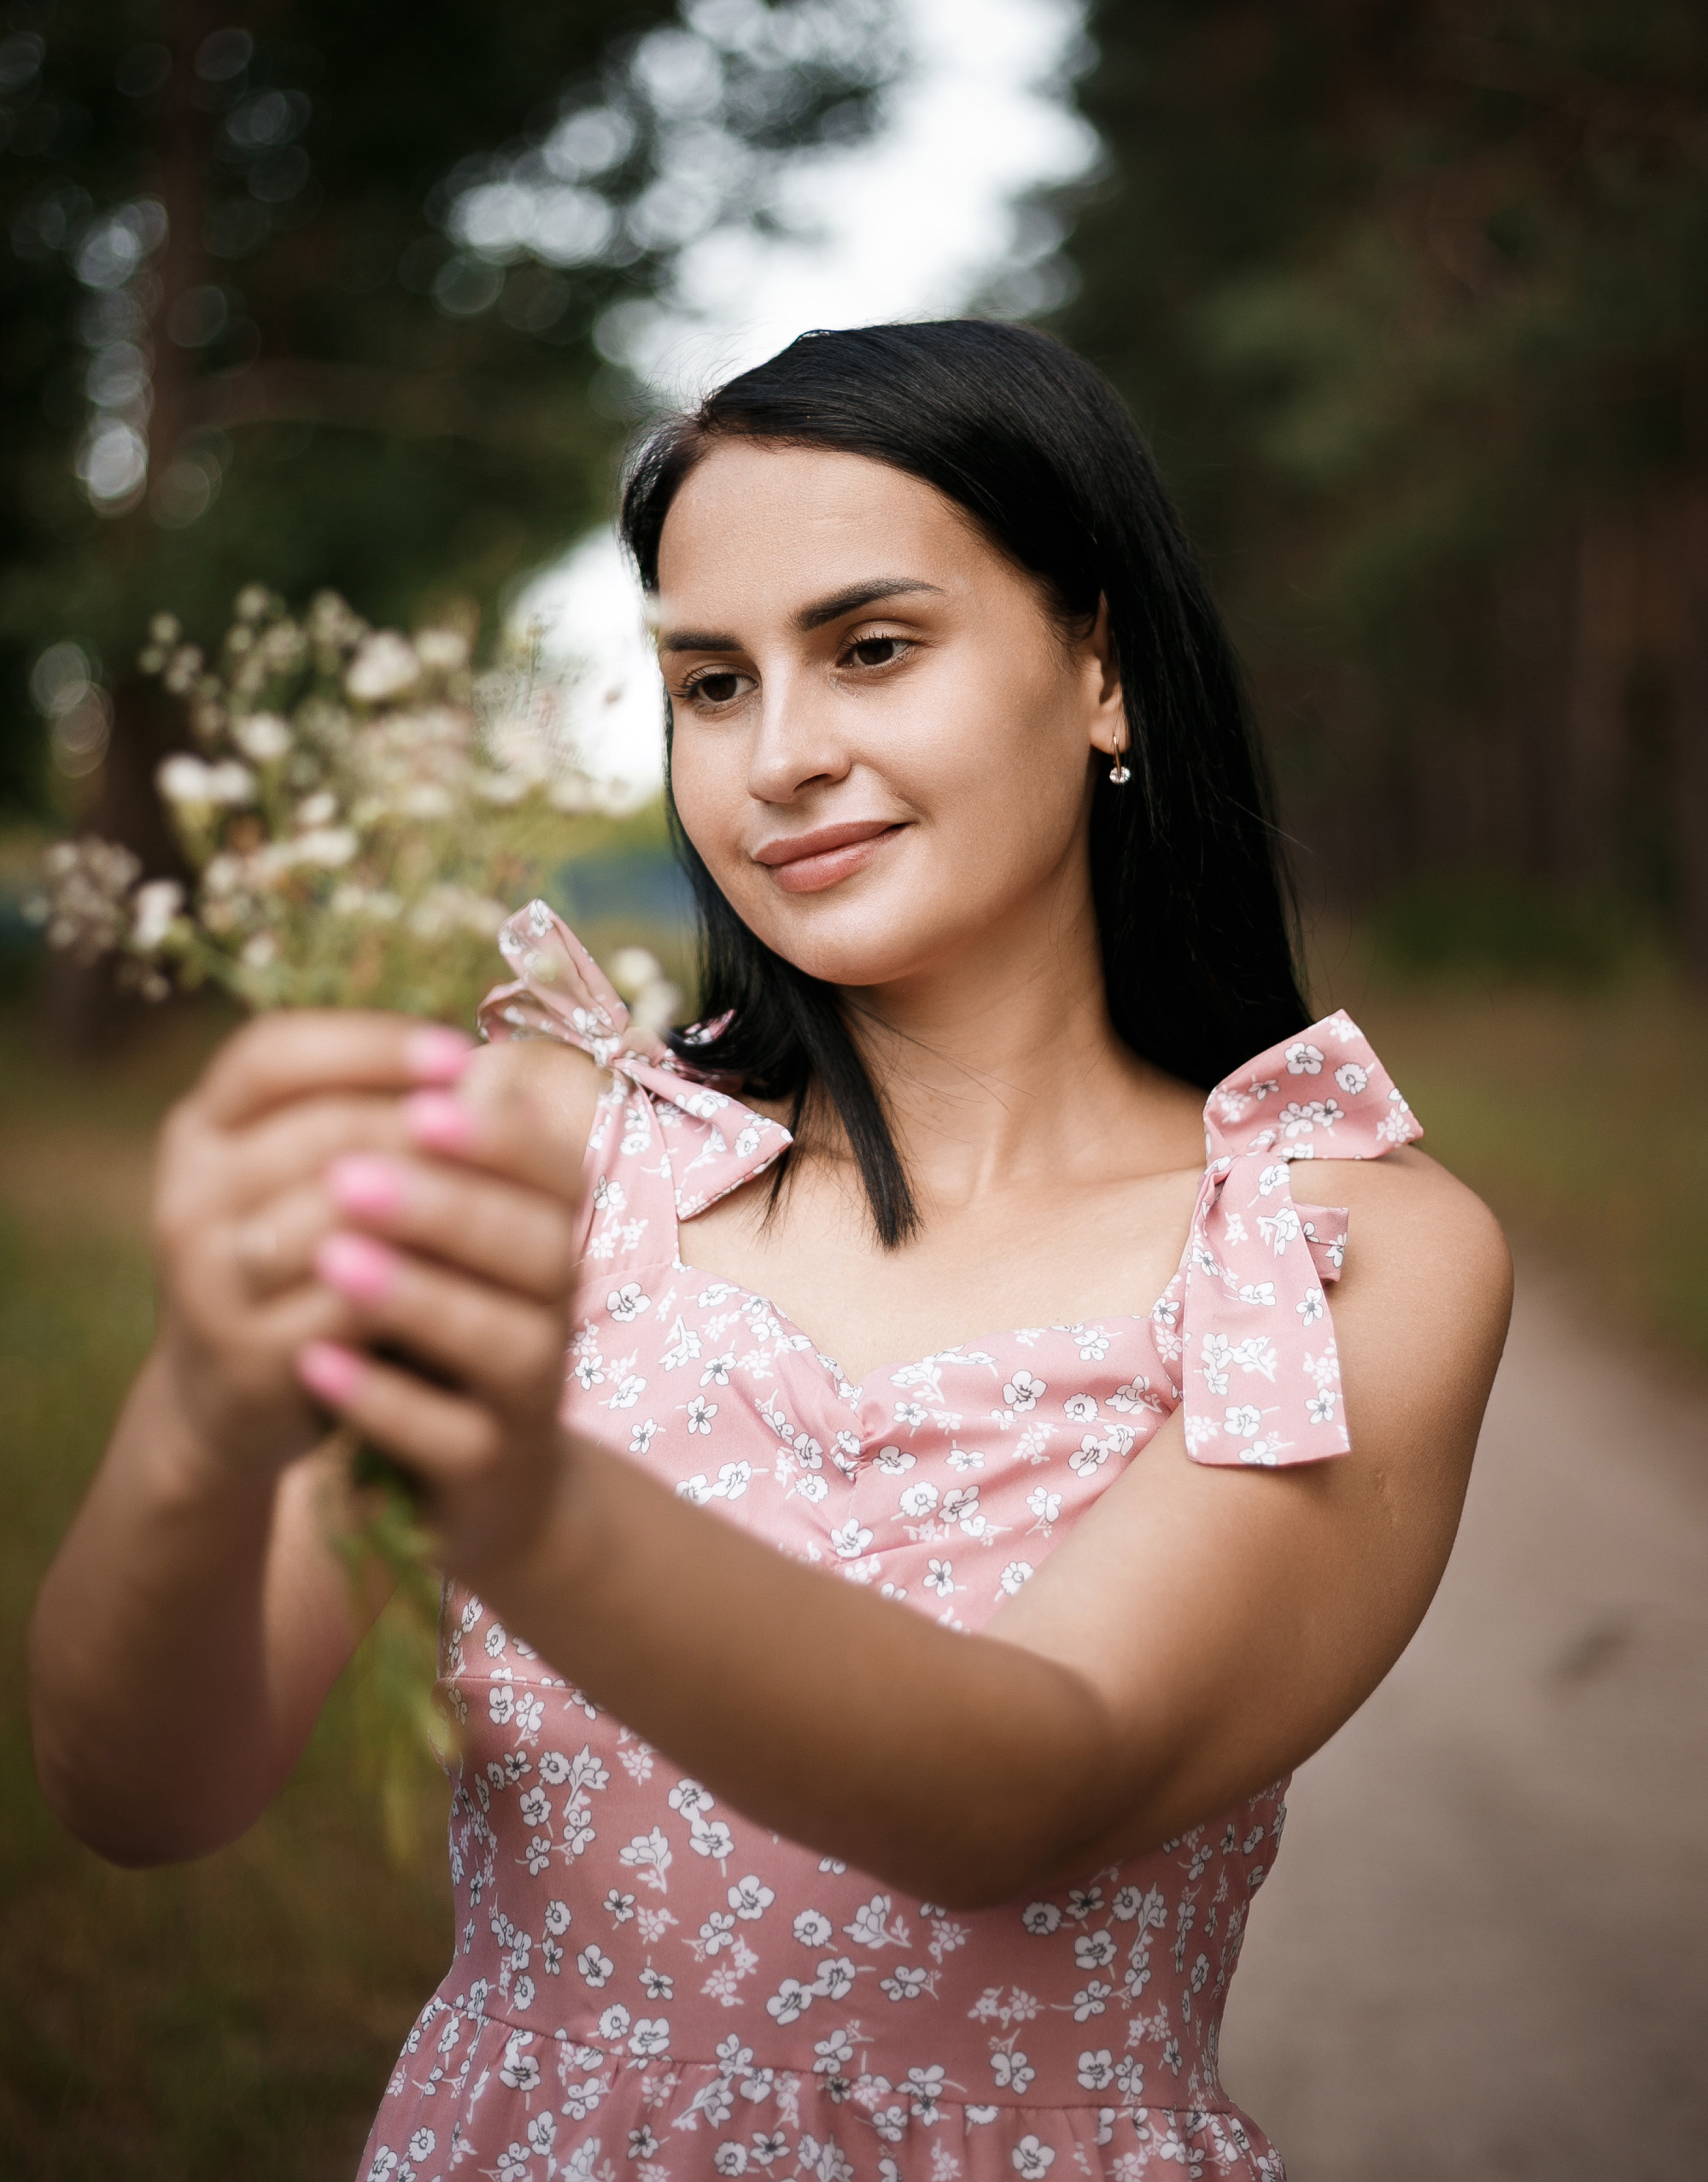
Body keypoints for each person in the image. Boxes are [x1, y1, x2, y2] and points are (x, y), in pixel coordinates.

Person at [29, 321, 1511, 2182]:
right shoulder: (551, 1155)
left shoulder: (1327, 1250)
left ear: (1104, 667)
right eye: (712, 685)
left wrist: (510, 1487)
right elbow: (145, 1796)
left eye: (871, 648)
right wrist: (202, 1410)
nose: (780, 758)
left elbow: (1024, 1784)